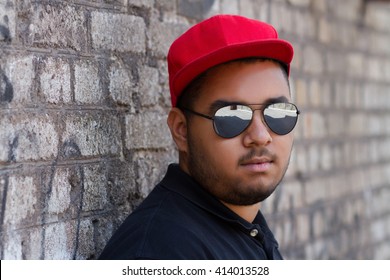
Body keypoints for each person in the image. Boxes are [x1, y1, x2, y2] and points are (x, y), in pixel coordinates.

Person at [99, 14, 299, 260]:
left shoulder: (244, 224)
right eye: (232, 116)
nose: (260, 136)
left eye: (278, 113)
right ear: (181, 130)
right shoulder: (158, 254)